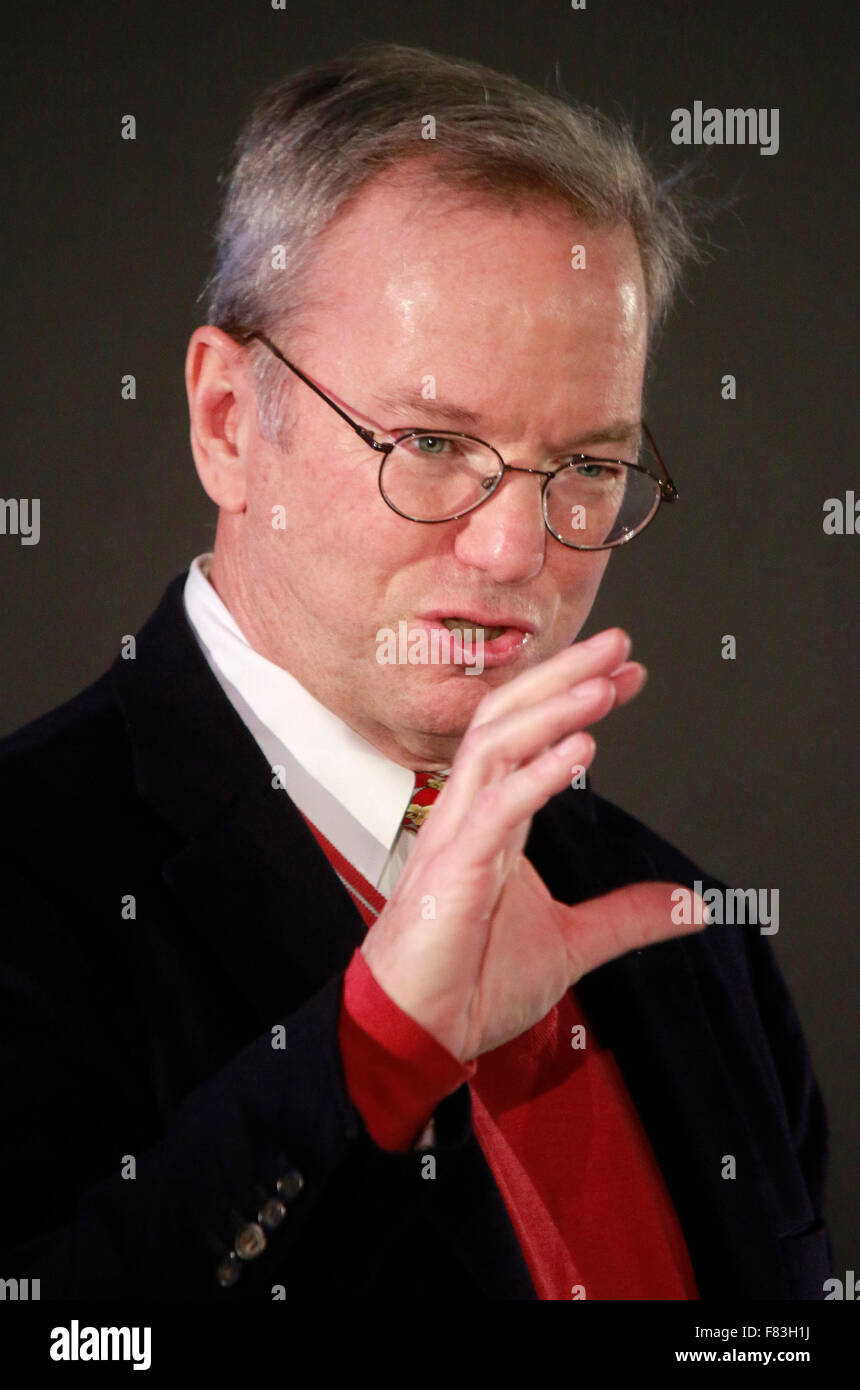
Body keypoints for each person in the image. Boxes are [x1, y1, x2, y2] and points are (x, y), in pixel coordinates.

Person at [0, 42, 831, 1301]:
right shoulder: (25, 888)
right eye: (433, 441)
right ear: (227, 420)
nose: (513, 552)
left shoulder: (678, 928)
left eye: (587, 467)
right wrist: (373, 1051)